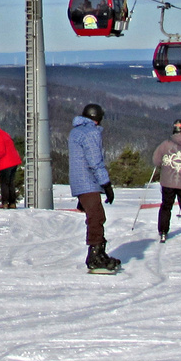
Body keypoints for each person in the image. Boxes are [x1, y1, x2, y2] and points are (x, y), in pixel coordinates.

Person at [68, 103, 119, 272]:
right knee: (96, 218)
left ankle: (98, 253)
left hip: (78, 181)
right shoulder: (91, 133)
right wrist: (106, 184)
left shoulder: (76, 131)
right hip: (88, 181)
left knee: (96, 216)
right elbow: (95, 161)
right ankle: (95, 256)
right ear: (97, 118)